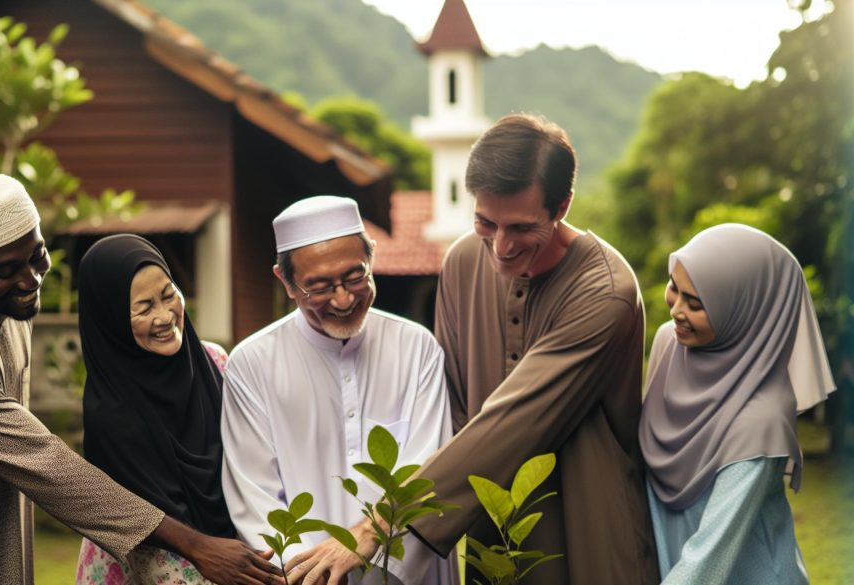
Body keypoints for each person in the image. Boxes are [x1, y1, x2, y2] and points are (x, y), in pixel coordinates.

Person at [0, 175, 279, 585]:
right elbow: (47, 465)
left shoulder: (10, 311)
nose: (31, 279)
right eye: (6, 270)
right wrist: (198, 546)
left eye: (37, 256)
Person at [288, 114, 659, 585]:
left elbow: (517, 418)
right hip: (490, 531)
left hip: (591, 529)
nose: (501, 247)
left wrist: (380, 523)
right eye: (486, 221)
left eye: (521, 227)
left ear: (562, 205)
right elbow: (456, 412)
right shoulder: (463, 262)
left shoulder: (604, 292)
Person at [221, 196, 456, 584]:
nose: (344, 299)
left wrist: (383, 574)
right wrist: (310, 573)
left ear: (372, 256)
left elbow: (426, 471)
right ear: (285, 282)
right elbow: (254, 494)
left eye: (355, 277)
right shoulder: (252, 363)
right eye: (319, 286)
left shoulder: (417, 348)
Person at [73, 234, 277, 584]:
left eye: (169, 295)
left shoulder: (214, 362)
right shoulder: (111, 412)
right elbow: (146, 531)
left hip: (234, 544)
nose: (165, 316)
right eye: (144, 308)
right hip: (155, 562)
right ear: (112, 319)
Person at [639, 224, 834, 584]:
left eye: (695, 303)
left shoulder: (762, 419)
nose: (676, 310)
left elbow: (708, 557)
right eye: (674, 287)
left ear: (745, 311)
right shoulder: (670, 345)